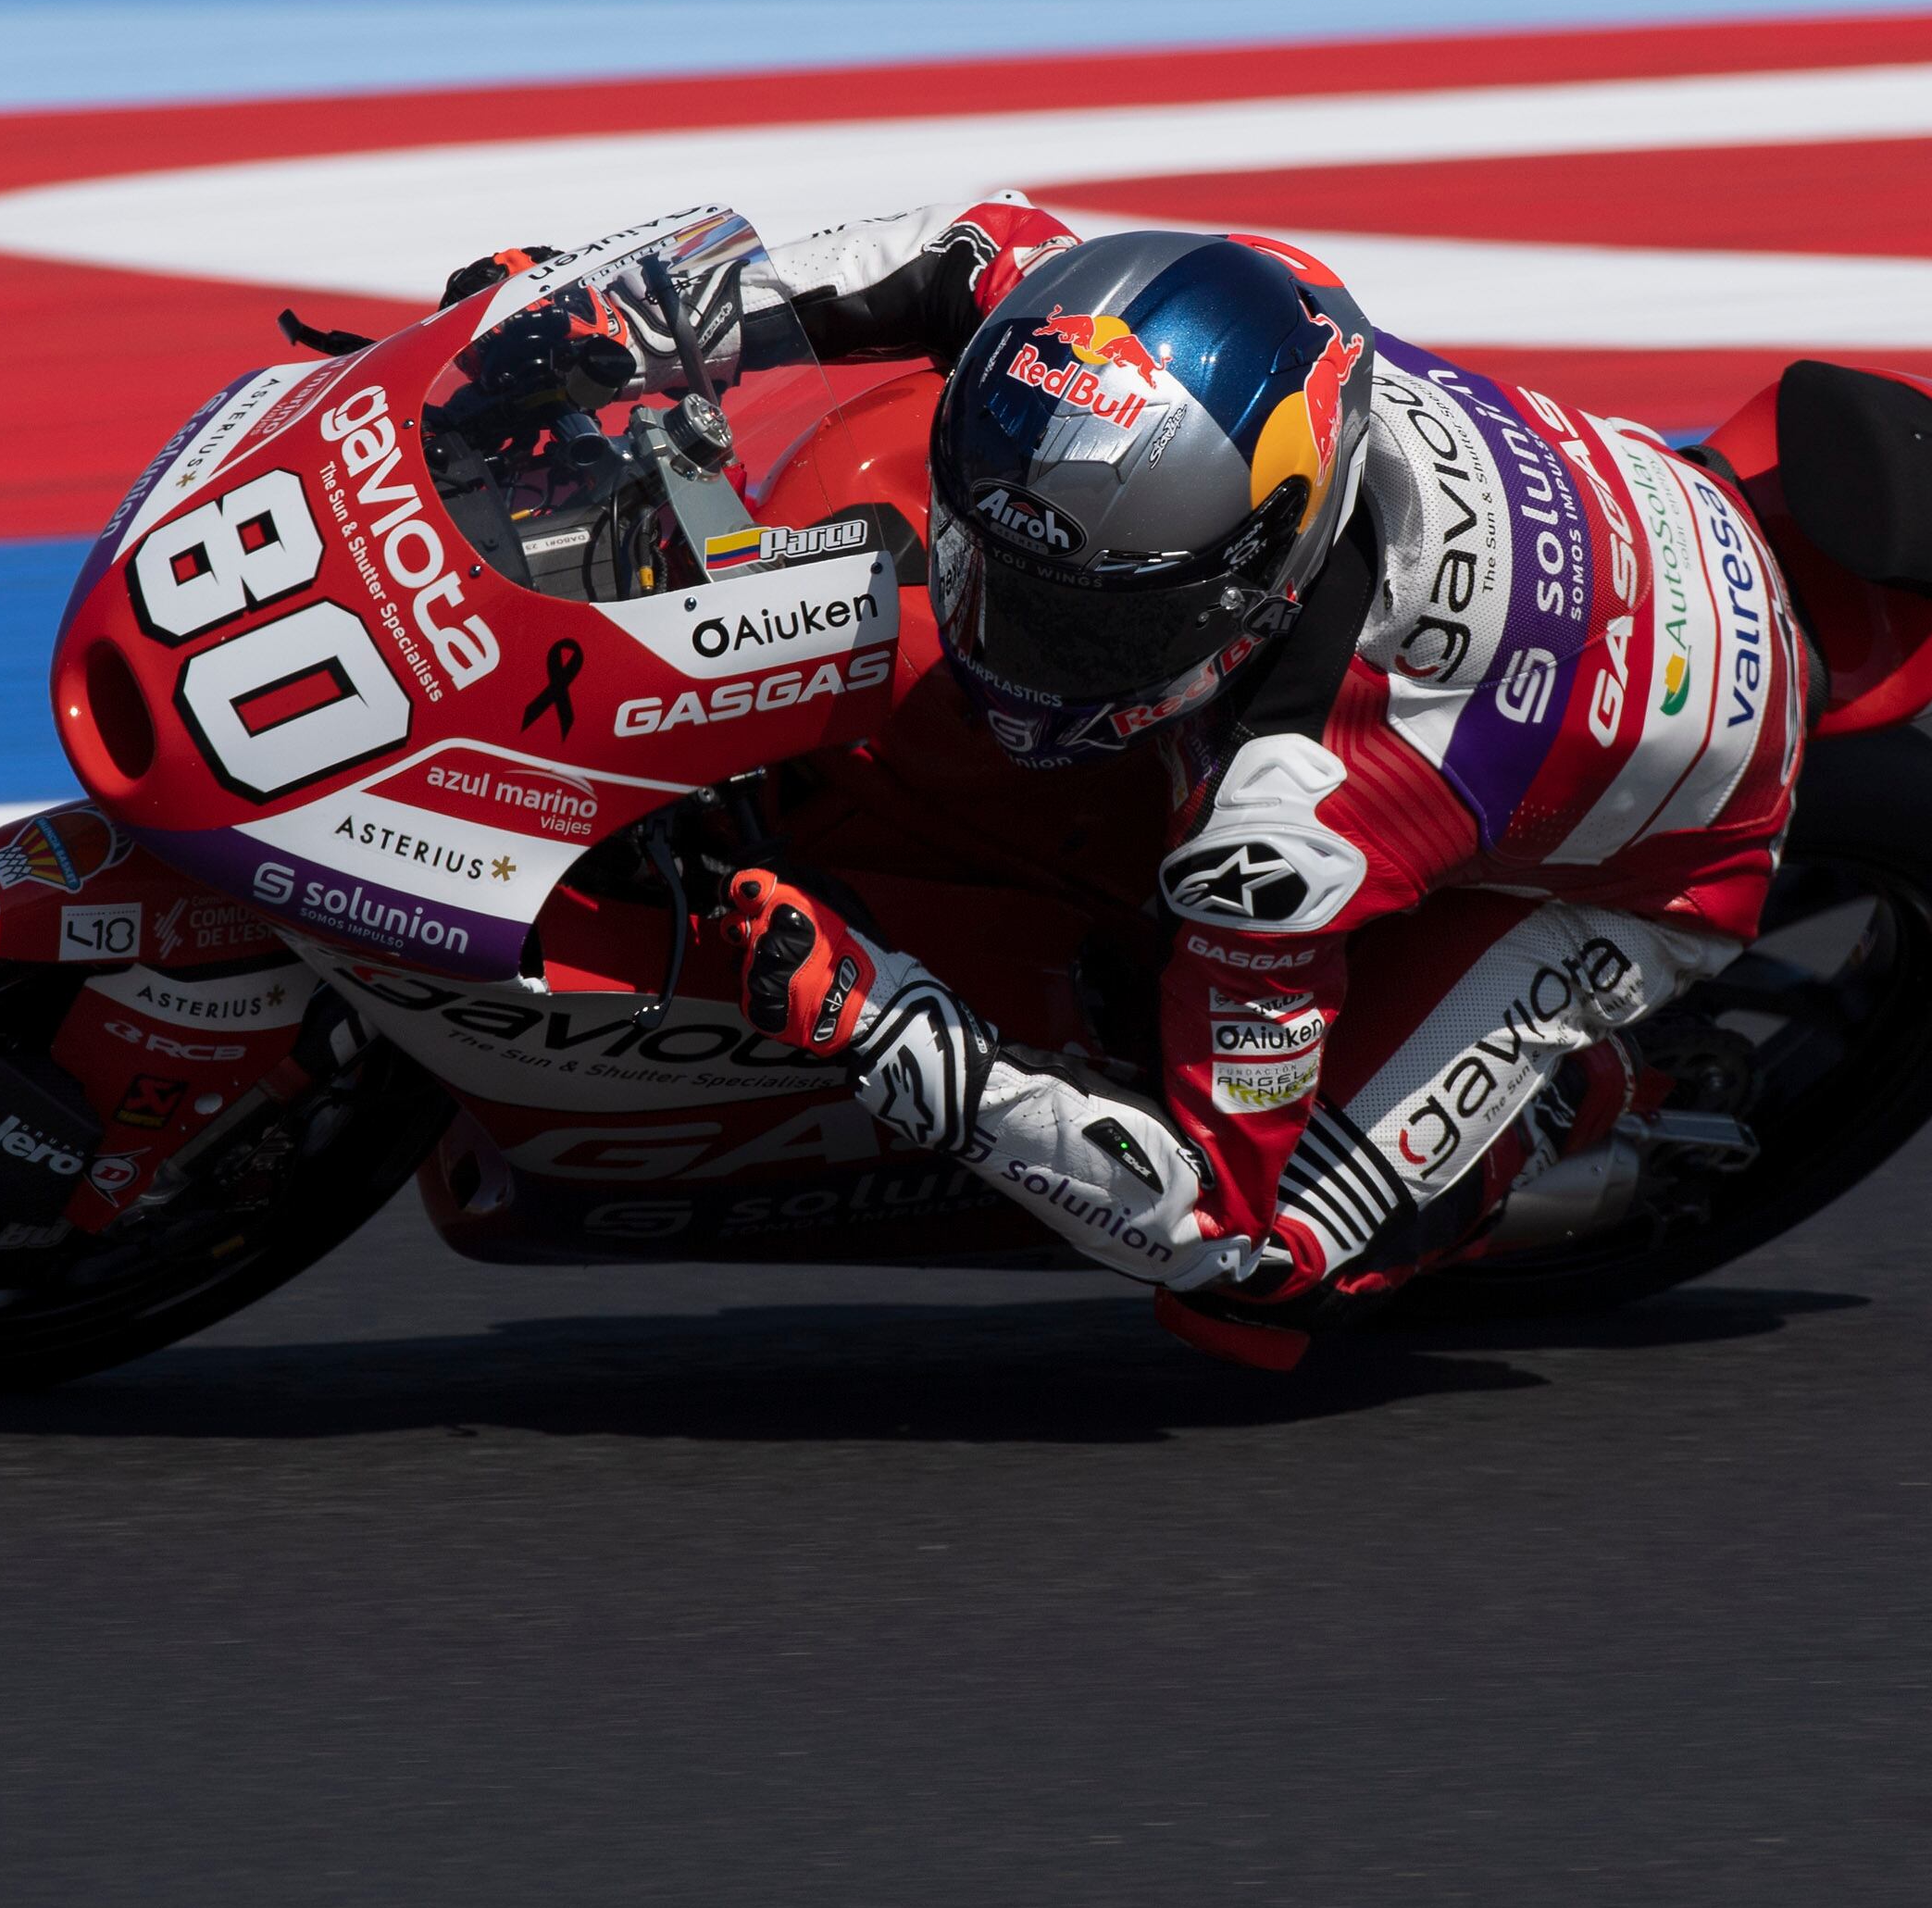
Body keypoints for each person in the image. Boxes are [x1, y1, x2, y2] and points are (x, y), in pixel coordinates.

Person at [474, 200, 1809, 1364]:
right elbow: (974, 249)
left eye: (1078, 628)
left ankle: (1566, 1108)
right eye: (1001, 582)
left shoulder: (1289, 823)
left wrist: (887, 1025)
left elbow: (1205, 1208)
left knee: (1264, 1272)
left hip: (1666, 841)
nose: (1007, 643)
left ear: (1250, 588)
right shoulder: (1186, 320)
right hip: (1625, 537)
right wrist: (616, 327)